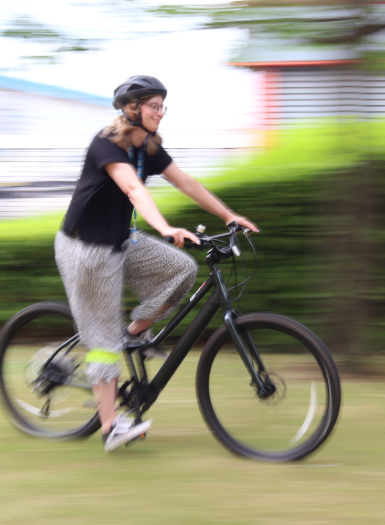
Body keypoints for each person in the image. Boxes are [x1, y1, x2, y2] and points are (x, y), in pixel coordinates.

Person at [54, 75, 258, 452]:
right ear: (132, 108)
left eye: (162, 106)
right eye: (153, 106)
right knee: (102, 342)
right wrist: (163, 226)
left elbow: (187, 183)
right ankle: (110, 426)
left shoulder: (147, 147)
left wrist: (229, 216)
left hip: (120, 241)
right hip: (87, 250)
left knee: (181, 269)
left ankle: (134, 331)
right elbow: (133, 188)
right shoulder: (106, 144)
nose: (160, 113)